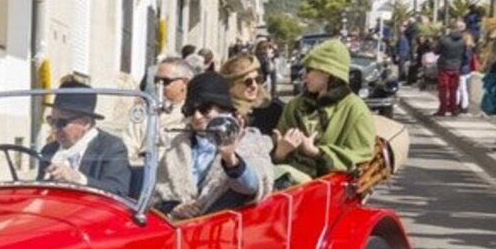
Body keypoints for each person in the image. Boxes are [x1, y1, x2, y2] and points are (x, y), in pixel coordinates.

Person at [153, 72, 272, 219]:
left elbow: (253, 186)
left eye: (204, 109)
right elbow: (156, 196)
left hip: (225, 230)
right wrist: (174, 208)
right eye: (191, 110)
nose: (197, 116)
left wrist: (230, 158)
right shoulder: (179, 144)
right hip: (179, 230)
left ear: (223, 108)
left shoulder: (248, 141)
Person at [272, 39, 376, 183]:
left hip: (328, 190)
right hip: (287, 186)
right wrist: (280, 152)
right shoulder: (296, 105)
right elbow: (277, 154)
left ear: (327, 72)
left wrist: (316, 152)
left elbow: (361, 155)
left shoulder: (356, 109)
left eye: (309, 70)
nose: (304, 76)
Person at [38, 81, 131, 196]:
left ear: (85, 123)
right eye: (51, 121)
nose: (54, 129)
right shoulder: (49, 150)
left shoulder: (111, 148)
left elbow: (118, 190)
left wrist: (78, 179)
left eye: (62, 123)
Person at [125, 56, 192, 167]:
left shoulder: (191, 115)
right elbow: (128, 143)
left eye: (165, 81)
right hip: (139, 170)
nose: (158, 86)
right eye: (156, 80)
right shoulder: (145, 111)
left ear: (184, 83)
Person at [221, 53, 281, 134]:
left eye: (257, 79)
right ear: (231, 86)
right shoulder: (221, 113)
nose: (254, 86)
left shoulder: (275, 108)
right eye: (248, 82)